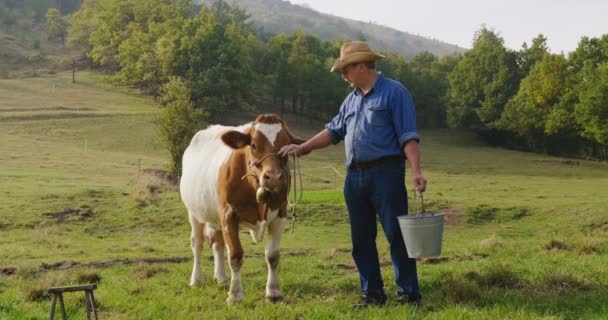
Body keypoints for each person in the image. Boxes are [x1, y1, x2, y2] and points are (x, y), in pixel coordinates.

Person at [279, 41, 427, 307]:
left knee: (397, 235)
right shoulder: (351, 100)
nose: (343, 75)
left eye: (345, 69)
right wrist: (303, 147)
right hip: (354, 177)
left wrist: (416, 171)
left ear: (360, 66)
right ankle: (372, 294)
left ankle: (409, 294)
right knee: (360, 238)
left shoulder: (394, 93)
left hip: (386, 173)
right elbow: (333, 131)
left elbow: (408, 136)